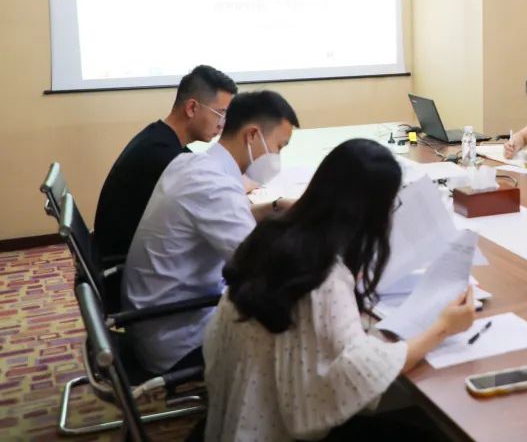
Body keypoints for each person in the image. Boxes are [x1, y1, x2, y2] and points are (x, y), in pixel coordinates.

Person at [202, 138, 476, 441]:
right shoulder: (322, 276)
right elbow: (358, 371)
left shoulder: (272, 236)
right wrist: (443, 328)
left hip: (240, 414)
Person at [122, 90, 299, 374]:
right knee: (296, 327)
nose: (278, 157)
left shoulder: (192, 163)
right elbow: (260, 266)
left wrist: (273, 208)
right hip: (179, 338)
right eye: (279, 146)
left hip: (156, 318)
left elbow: (219, 218)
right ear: (252, 136)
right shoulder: (214, 186)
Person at [94, 65, 237, 263]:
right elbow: (218, 209)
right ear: (192, 108)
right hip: (125, 265)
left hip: (128, 253)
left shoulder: (159, 137)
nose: (222, 124)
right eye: (220, 114)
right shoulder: (162, 156)